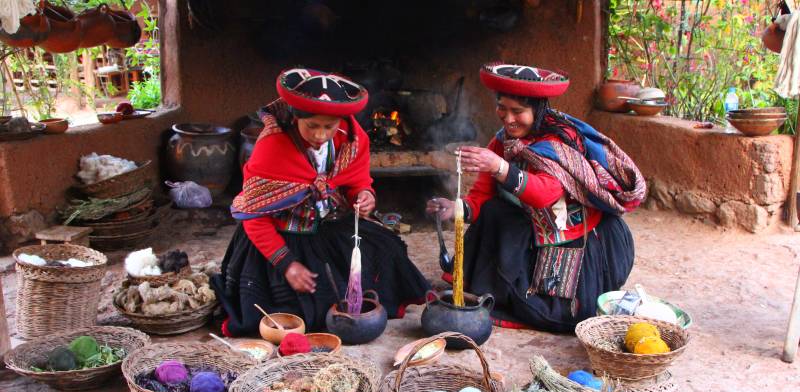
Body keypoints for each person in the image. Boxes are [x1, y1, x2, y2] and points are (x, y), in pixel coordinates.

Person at [427, 63, 646, 333]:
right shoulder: (502, 141)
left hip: (577, 240)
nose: (508, 119)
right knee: (495, 210)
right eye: (502, 109)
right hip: (534, 228)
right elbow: (482, 195)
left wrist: (499, 167)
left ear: (538, 110)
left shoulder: (558, 145)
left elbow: (544, 194)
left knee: (548, 307)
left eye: (518, 111)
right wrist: (457, 208)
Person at [213, 68, 430, 336]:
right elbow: (255, 216)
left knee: (386, 249)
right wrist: (287, 264)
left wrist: (363, 196)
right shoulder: (272, 148)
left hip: (326, 225)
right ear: (295, 117)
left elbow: (358, 181)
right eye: (312, 126)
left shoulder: (351, 139)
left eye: (329, 126)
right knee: (308, 307)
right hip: (280, 234)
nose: (320, 135)